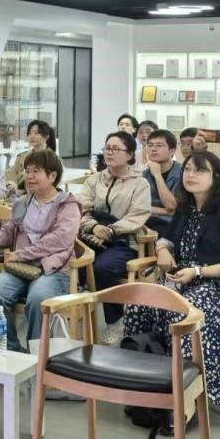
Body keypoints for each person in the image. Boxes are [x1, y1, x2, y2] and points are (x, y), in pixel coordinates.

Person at [123, 151, 220, 407]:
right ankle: (141, 385)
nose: (190, 175)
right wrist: (162, 250)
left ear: (216, 177)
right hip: (182, 280)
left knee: (185, 311)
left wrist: (198, 272)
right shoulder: (186, 208)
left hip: (218, 289)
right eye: (188, 169)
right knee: (139, 303)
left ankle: (188, 397)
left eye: (199, 170)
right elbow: (166, 240)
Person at [0, 149, 81, 351]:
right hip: (21, 267)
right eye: (27, 171)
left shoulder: (67, 205)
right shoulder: (22, 202)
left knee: (38, 298)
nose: (29, 176)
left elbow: (59, 240)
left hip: (53, 269)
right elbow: (8, 232)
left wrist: (21, 254)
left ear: (52, 176)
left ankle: (37, 358)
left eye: (36, 171)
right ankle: (8, 352)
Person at [76, 131, 152, 328]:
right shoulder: (94, 180)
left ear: (130, 154)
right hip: (91, 237)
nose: (109, 152)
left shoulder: (140, 183)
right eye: (107, 148)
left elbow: (137, 215)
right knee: (72, 262)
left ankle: (115, 321)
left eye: (115, 149)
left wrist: (110, 230)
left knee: (102, 268)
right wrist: (93, 226)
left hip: (124, 241)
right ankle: (79, 315)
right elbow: (81, 209)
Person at [143, 129, 182, 236]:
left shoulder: (182, 173)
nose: (153, 149)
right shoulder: (143, 175)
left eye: (159, 145)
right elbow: (138, 207)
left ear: (172, 151)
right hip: (146, 221)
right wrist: (166, 211)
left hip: (172, 224)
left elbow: (171, 205)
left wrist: (157, 175)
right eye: (150, 145)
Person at [6, 119, 55, 192]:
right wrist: (12, 183)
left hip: (40, 195)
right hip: (18, 193)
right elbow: (11, 172)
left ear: (46, 137)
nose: (32, 136)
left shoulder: (53, 158)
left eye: (36, 133)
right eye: (29, 133)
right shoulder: (22, 156)